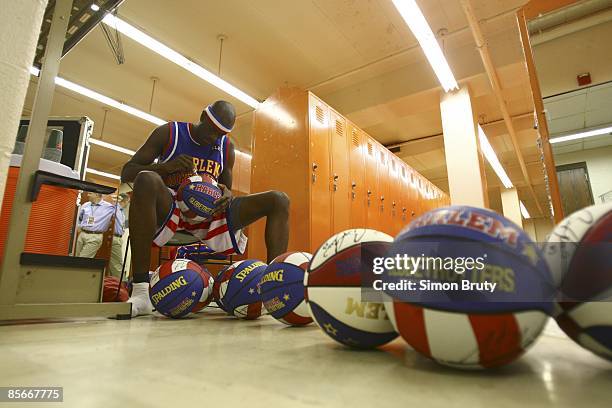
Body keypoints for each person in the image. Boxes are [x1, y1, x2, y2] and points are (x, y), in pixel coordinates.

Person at [121, 100, 290, 317]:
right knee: (146, 179)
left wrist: (228, 193)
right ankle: (142, 292)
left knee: (279, 199)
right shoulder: (169, 132)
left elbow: (226, 188)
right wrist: (164, 168)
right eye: (213, 131)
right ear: (202, 116)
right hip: (171, 206)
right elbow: (127, 172)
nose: (215, 139)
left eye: (222, 134)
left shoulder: (226, 147)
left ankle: (274, 287)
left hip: (211, 212)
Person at [75, 193, 125, 263]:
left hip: (95, 237)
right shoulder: (86, 205)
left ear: (97, 195)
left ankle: (79, 273)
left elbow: (119, 219)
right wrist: (79, 226)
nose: (88, 195)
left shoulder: (109, 207)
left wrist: (117, 204)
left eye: (90, 193)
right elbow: (79, 218)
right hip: (82, 234)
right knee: (76, 259)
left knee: (83, 260)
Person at [108, 193, 130, 277]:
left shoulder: (122, 213)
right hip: (114, 238)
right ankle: (121, 285)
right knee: (117, 264)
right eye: (128, 201)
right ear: (124, 201)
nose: (128, 203)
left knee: (114, 263)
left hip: (118, 238)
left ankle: (114, 282)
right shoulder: (115, 208)